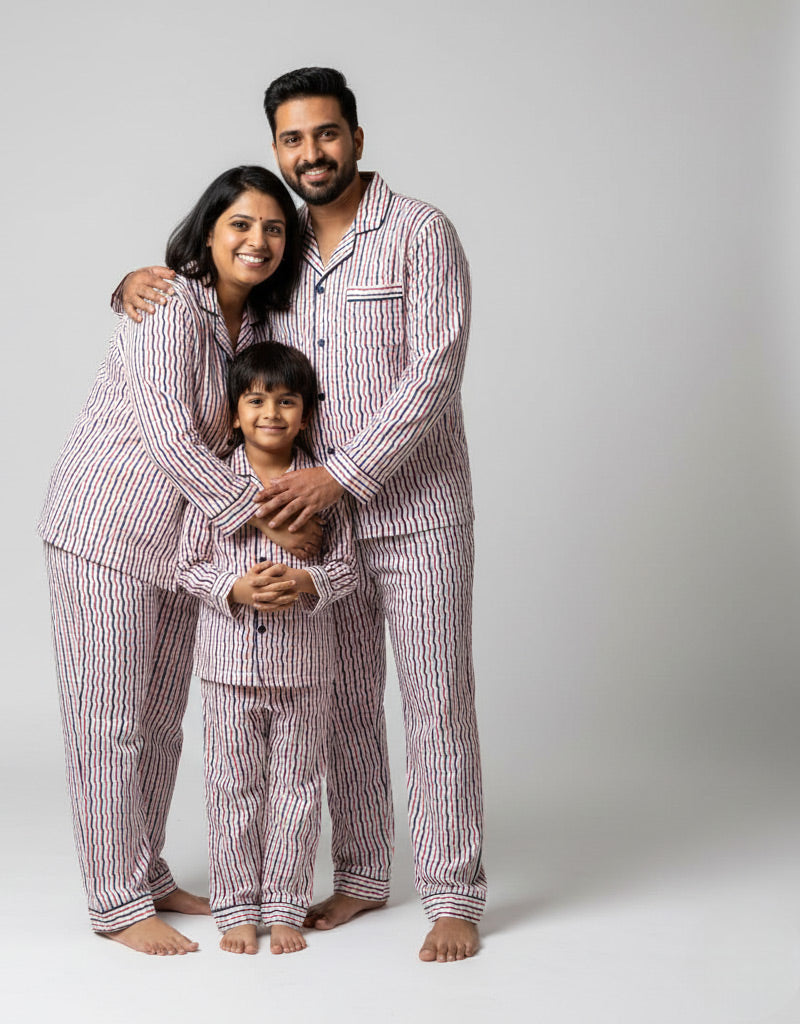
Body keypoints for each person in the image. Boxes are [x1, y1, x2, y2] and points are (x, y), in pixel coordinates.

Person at [117, 68, 484, 962]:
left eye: (325, 135)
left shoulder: (420, 232)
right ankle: (361, 877)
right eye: (292, 139)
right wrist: (132, 283)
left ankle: (455, 895)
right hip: (305, 527)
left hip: (416, 508)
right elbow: (223, 330)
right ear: (278, 147)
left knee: (435, 700)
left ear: (357, 137)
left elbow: (434, 371)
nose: (310, 154)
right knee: (349, 703)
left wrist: (340, 478)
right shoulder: (273, 256)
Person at [39, 165, 312, 956]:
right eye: (241, 225)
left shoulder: (256, 330)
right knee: (109, 722)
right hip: (103, 531)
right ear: (209, 231)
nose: (257, 241)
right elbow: (169, 436)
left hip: (179, 547)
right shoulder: (168, 304)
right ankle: (116, 902)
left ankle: (146, 871)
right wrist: (262, 517)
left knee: (158, 722)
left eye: (273, 229)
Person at [178, 342, 356, 956]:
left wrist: (308, 582)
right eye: (255, 400)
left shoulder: (322, 487)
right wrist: (235, 587)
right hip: (226, 668)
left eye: (286, 401)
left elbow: (350, 570)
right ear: (234, 412)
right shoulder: (212, 486)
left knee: (298, 788)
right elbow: (187, 567)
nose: (270, 413)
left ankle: (283, 905)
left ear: (305, 414)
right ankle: (234, 908)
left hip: (304, 671)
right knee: (232, 787)